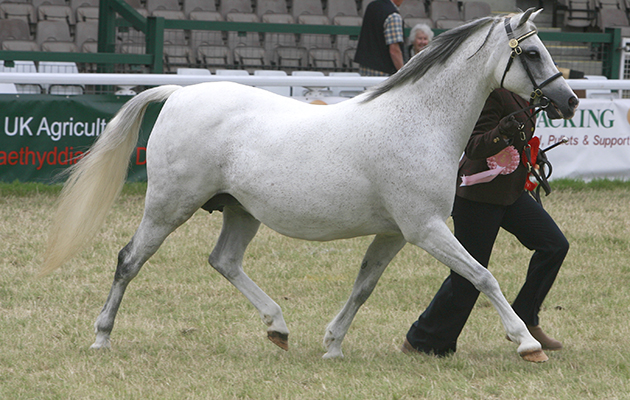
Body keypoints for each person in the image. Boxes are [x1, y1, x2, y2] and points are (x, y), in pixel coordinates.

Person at [402, 88, 569, 357]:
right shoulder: (493, 95)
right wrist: (502, 131)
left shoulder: (525, 95)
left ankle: (525, 317)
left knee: (554, 245)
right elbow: (475, 146)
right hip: (477, 196)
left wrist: (530, 154)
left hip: (512, 194)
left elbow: (517, 142)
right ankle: (421, 340)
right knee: (468, 275)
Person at [354, 0, 405, 76]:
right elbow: (394, 50)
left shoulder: (371, 6)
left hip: (365, 69)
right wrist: (404, 73)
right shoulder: (393, 16)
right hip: (383, 73)